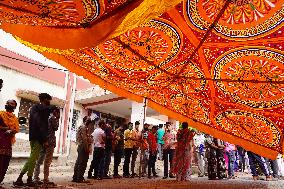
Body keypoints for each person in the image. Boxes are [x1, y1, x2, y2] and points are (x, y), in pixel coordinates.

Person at [14, 93, 53, 187]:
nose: (49, 102)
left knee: (32, 158)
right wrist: (44, 139)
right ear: (44, 100)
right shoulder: (39, 109)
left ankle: (20, 178)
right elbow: (40, 125)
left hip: (33, 136)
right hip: (38, 137)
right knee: (33, 158)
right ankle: (29, 179)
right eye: (48, 100)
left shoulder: (35, 108)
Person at [33, 107, 60, 186]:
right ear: (55, 111)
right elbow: (56, 128)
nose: (58, 114)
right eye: (58, 113)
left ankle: (36, 178)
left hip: (43, 142)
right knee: (47, 162)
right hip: (50, 142)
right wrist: (57, 118)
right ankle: (45, 179)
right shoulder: (52, 118)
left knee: (39, 161)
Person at [0, 100, 19, 184]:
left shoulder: (15, 118)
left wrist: (11, 131)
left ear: (15, 107)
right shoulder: (1, 114)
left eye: (12, 104)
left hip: (8, 142)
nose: (9, 105)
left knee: (5, 162)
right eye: (8, 103)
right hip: (0, 139)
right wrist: (6, 129)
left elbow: (16, 129)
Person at [73, 116, 94, 183]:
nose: (90, 121)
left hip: (81, 145)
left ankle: (76, 177)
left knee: (79, 162)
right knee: (82, 163)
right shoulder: (83, 127)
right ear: (85, 120)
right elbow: (84, 139)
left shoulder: (84, 127)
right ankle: (79, 178)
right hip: (83, 146)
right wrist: (87, 148)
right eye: (88, 120)